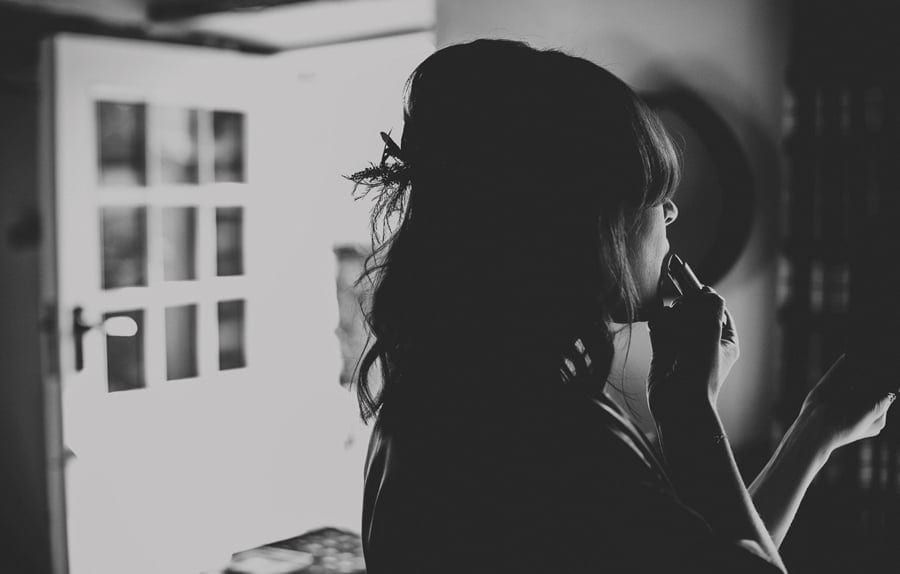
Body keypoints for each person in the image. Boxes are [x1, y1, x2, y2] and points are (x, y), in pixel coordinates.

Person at [346, 39, 896, 573]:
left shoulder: (455, 400)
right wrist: (689, 413)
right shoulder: (544, 436)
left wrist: (813, 432)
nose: (673, 214)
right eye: (655, 195)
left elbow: (706, 554)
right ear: (583, 225)